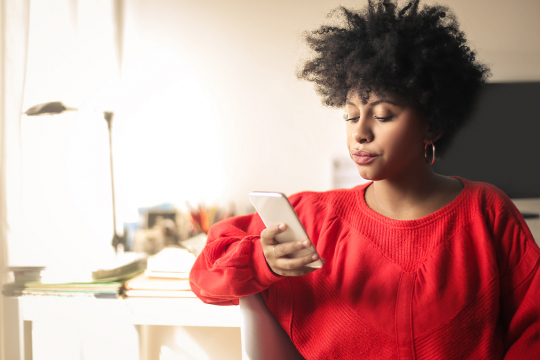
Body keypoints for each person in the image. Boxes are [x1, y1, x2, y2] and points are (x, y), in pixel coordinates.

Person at [189, 1, 540, 358]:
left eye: (384, 116)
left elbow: (534, 329)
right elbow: (205, 275)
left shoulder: (487, 212)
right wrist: (261, 261)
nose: (360, 132)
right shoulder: (311, 219)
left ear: (431, 125)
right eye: (350, 115)